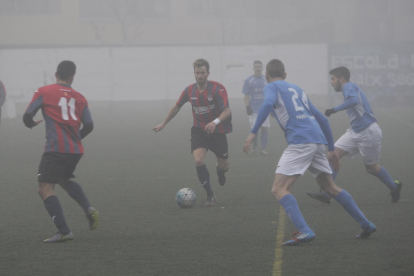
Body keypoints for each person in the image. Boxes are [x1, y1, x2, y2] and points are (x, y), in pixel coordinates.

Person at [243, 59, 376, 246]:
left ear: (266, 76)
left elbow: (266, 105)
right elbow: (322, 118)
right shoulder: (297, 89)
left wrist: (252, 133)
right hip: (317, 140)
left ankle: (304, 231)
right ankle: (366, 223)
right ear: (285, 75)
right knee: (330, 188)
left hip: (300, 141)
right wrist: (331, 149)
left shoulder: (271, 87)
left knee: (278, 188)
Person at [23, 60, 99, 243]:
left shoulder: (44, 91)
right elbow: (89, 125)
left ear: (56, 74)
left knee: (45, 188)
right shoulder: (80, 97)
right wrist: (75, 138)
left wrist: (31, 124)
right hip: (75, 151)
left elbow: (27, 116)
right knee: (64, 180)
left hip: (55, 149)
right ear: (72, 77)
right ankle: (88, 208)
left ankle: (64, 231)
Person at [307, 66, 402, 204]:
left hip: (368, 132)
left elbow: (354, 101)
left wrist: (334, 109)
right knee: (333, 156)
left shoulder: (348, 86)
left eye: (333, 79)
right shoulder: (348, 88)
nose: (331, 82)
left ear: (342, 79)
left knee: (371, 168)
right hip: (354, 132)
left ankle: (395, 186)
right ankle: (327, 193)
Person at [152, 58, 232, 206]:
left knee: (224, 166)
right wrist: (164, 123)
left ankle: (220, 170)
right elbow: (177, 107)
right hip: (199, 130)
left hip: (217, 130)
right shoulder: (189, 90)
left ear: (208, 73)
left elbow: (227, 110)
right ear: (194, 73)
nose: (200, 75)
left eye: (202, 73)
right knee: (198, 160)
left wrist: (215, 122)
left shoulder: (217, 89)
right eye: (197, 73)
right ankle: (210, 194)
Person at [242, 60, 269, 154]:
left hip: (264, 108)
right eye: (256, 67)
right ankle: (254, 147)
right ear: (253, 68)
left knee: (264, 128)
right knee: (255, 130)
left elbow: (270, 93)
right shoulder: (249, 80)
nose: (257, 68)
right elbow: (246, 95)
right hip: (253, 109)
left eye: (259, 66)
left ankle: (263, 149)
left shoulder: (266, 79)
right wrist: (247, 106)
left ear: (262, 68)